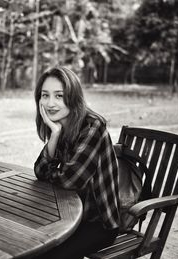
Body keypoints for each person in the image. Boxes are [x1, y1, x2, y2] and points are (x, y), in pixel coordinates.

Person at [34, 66, 120, 259]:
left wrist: (55, 172)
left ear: (73, 97)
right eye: (44, 95)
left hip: (97, 223)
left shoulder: (92, 126)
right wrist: (54, 135)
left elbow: (70, 180)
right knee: (28, 242)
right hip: (64, 216)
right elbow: (39, 170)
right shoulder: (60, 125)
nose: (50, 103)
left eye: (59, 95)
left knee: (45, 255)